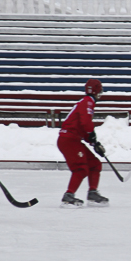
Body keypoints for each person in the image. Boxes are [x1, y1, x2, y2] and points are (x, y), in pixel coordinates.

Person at [57, 79, 108, 207]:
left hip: (72, 139)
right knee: (81, 168)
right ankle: (68, 196)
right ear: (96, 91)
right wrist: (93, 136)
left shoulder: (85, 102)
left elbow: (82, 126)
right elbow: (86, 123)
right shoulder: (88, 102)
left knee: (95, 164)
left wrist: (93, 143)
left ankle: (92, 192)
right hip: (69, 140)